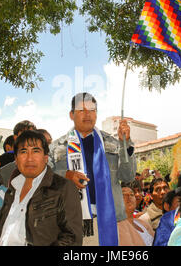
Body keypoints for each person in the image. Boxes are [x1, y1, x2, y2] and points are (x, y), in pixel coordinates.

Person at [0, 130, 83, 246]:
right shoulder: (11, 191)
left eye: (36, 151)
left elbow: (72, 239)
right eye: (23, 152)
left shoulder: (63, 188)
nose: (29, 158)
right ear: (16, 160)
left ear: (45, 158)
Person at [49, 92, 136, 246]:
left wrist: (126, 143)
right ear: (71, 114)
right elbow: (43, 178)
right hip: (72, 224)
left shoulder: (112, 143)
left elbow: (128, 177)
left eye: (92, 110)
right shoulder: (57, 147)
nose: (87, 114)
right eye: (81, 110)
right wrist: (65, 175)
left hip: (112, 221)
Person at [0, 120, 37, 186]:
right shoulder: (6, 159)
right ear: (16, 138)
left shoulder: (41, 158)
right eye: (24, 135)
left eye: (32, 135)